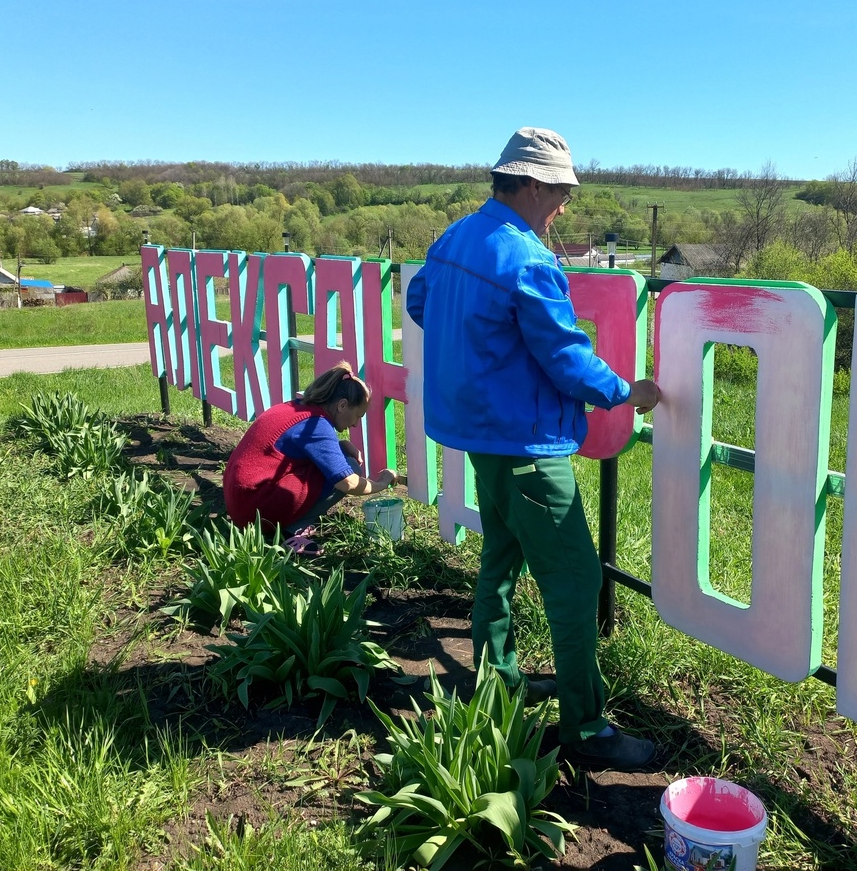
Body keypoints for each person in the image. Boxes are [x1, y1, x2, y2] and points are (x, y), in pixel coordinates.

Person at [405, 126, 662, 770]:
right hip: (528, 446)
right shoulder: (528, 259)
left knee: (500, 557)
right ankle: (587, 727)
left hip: (475, 437)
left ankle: (500, 683)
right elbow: (568, 360)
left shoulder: (454, 239)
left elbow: (417, 303)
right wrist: (628, 392)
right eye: (560, 190)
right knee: (575, 584)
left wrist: (473, 347)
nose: (564, 205)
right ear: (529, 183)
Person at [222, 361, 401, 555]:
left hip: (241, 499)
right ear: (342, 405)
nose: (356, 424)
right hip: (255, 509)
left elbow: (294, 450)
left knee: (341, 463)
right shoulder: (316, 425)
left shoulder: (295, 408)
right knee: (350, 468)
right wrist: (381, 483)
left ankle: (285, 524)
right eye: (358, 415)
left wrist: (339, 446)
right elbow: (347, 482)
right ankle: (289, 534)